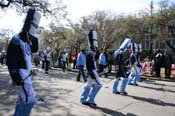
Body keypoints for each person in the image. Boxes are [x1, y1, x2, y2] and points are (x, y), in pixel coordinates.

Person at [6, 8, 42, 116]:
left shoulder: (26, 42)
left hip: (26, 77)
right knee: (29, 100)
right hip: (22, 77)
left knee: (22, 100)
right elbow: (11, 60)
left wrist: (35, 36)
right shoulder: (17, 40)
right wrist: (16, 77)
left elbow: (35, 49)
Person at [80, 29, 103, 107]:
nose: (96, 48)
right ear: (93, 46)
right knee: (99, 84)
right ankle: (90, 99)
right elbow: (89, 64)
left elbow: (94, 61)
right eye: (96, 46)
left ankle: (83, 99)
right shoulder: (90, 53)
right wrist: (91, 73)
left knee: (89, 85)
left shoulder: (92, 52)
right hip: (91, 71)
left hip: (91, 71)